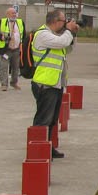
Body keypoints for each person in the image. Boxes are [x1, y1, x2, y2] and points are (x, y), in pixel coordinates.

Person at [31, 9, 78, 158]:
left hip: (55, 83)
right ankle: (38, 152)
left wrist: (73, 34)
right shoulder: (43, 35)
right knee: (43, 120)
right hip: (45, 84)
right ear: (54, 21)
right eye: (63, 21)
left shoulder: (56, 36)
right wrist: (69, 31)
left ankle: (48, 148)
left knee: (52, 120)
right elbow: (62, 42)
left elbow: (68, 48)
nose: (65, 24)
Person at [0, 7, 26, 91]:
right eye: (12, 13)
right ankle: (4, 84)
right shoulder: (2, 22)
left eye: (15, 13)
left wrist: (22, 46)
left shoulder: (20, 22)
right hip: (5, 49)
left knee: (16, 67)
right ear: (7, 14)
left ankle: (14, 83)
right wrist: (2, 37)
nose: (14, 15)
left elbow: (24, 35)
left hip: (16, 48)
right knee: (4, 67)